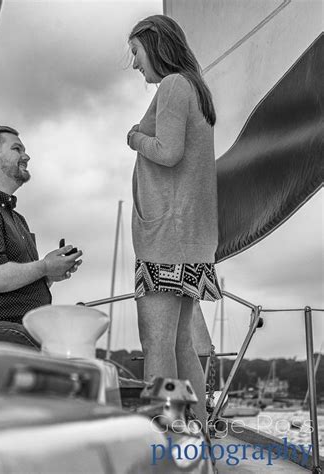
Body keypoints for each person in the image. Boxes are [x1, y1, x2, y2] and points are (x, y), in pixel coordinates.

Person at [126, 15, 222, 428]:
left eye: (135, 52)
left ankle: (164, 434)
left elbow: (167, 151)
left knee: (157, 342)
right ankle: (194, 430)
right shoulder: (194, 88)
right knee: (182, 342)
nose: (134, 64)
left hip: (167, 239)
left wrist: (133, 137)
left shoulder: (173, 85)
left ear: (155, 45)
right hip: (191, 240)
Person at [0, 125, 82, 348]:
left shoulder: (16, 218)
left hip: (13, 331)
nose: (26, 156)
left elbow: (13, 286)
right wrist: (45, 267)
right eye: (17, 149)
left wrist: (49, 274)